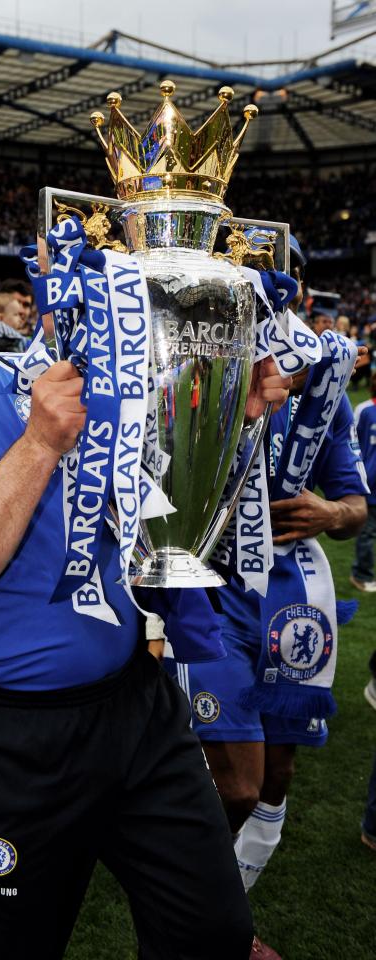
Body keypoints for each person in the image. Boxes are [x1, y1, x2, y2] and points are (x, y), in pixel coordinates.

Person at [0, 217, 289, 960]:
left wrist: (226, 414)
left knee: (214, 932)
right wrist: (40, 442)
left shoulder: (35, 380)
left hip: (139, 707)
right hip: (8, 735)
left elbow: (147, 495)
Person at [172, 246, 368, 960]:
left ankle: (224, 915)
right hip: (214, 593)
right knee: (239, 782)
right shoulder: (199, 375)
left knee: (274, 777)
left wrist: (328, 514)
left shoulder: (323, 389)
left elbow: (355, 505)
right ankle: (206, 916)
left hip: (294, 603)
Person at [350, 372, 376, 591]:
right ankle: (361, 574)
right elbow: (352, 442)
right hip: (371, 483)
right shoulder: (365, 410)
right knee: (366, 533)